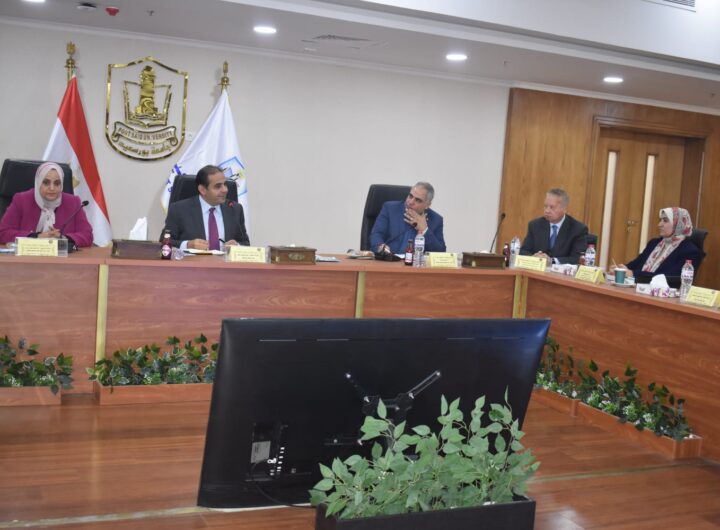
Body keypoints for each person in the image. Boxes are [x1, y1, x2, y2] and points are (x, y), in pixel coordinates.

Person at [0, 162, 93, 247]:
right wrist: (36, 236)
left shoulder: (73, 202)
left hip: (62, 258)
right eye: (46, 182)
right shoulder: (21, 200)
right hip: (27, 257)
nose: (52, 188)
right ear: (38, 182)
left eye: (57, 183)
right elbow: (3, 232)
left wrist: (63, 238)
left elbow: (87, 235)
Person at [161, 164, 249, 249]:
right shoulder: (179, 209)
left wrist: (237, 246)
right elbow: (164, 241)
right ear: (202, 190)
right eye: (218, 186)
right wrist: (188, 244)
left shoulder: (235, 209)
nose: (225, 190)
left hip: (225, 259)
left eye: (225, 184)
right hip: (193, 259)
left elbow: (245, 243)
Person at [611, 207, 703, 280]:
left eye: (665, 221)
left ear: (678, 224)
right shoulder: (654, 243)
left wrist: (633, 274)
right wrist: (621, 269)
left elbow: (671, 278)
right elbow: (636, 264)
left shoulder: (690, 252)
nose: (659, 224)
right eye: (660, 220)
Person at [370, 182, 446, 255]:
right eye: (410, 196)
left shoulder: (436, 220)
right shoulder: (390, 209)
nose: (410, 202)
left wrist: (425, 230)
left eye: (418, 200)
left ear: (427, 205)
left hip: (417, 263)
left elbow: (441, 253)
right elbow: (376, 234)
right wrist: (380, 247)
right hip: (389, 261)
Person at [520, 188, 587, 264]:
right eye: (545, 206)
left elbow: (577, 258)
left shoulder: (578, 229)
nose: (547, 211)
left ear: (564, 209)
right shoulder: (535, 225)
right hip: (537, 270)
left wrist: (552, 261)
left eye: (552, 207)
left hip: (562, 271)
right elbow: (524, 251)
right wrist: (534, 258)